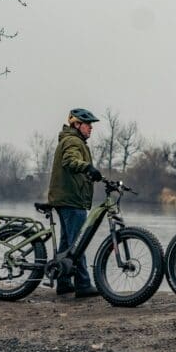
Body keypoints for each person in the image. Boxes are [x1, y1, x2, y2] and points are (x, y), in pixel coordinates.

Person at [47, 108, 104, 298]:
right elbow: (70, 161)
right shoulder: (73, 141)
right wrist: (87, 167)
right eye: (88, 125)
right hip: (71, 200)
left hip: (66, 198)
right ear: (77, 124)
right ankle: (83, 284)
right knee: (77, 243)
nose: (91, 129)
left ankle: (63, 282)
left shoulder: (73, 140)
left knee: (67, 243)